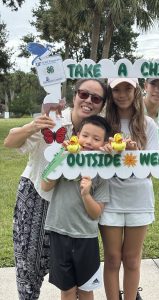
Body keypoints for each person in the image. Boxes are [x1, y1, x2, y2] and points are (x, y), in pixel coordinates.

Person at [3, 78, 107, 300]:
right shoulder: (53, 120)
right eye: (83, 94)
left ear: (101, 104)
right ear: (74, 96)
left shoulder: (98, 132)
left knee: (77, 277)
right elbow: (9, 142)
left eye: (96, 98)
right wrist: (34, 125)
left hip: (73, 206)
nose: (88, 101)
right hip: (37, 196)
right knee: (30, 266)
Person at [99, 78, 159, 300]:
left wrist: (133, 154)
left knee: (132, 259)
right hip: (110, 197)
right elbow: (92, 156)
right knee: (113, 258)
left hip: (139, 199)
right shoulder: (103, 123)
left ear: (136, 91)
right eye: (116, 89)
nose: (122, 94)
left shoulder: (148, 124)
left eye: (127, 89)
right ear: (110, 92)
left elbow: (151, 168)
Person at [41, 115, 111, 300]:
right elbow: (45, 185)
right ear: (76, 135)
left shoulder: (102, 173)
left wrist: (86, 194)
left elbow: (96, 213)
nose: (89, 142)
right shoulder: (63, 157)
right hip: (59, 233)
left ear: (104, 143)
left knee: (87, 289)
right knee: (67, 289)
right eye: (85, 135)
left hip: (85, 238)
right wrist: (61, 159)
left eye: (96, 139)